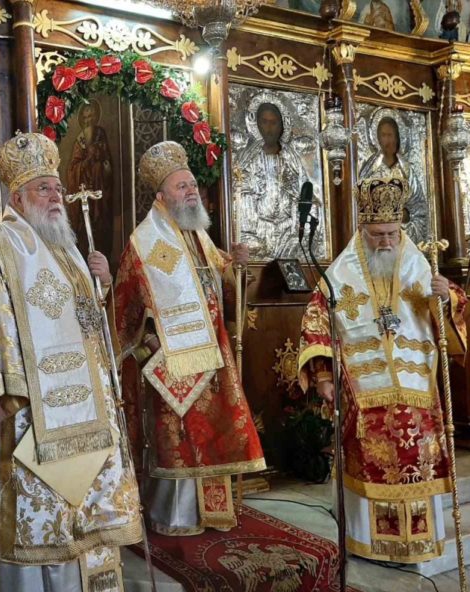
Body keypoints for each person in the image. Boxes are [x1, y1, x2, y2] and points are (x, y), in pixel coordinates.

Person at [0, 132, 142, 592]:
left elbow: (86, 326)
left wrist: (101, 284)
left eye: (57, 188)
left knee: (83, 514)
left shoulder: (67, 249)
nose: (56, 197)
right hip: (26, 413)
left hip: (85, 413)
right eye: (43, 189)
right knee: (37, 518)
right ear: (17, 198)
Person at [298, 176, 467, 564]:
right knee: (371, 458)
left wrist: (448, 296)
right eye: (377, 235)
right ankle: (371, 545)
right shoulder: (342, 271)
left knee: (418, 459)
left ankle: (418, 542)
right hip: (365, 388)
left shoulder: (418, 263)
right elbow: (316, 318)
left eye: (392, 233)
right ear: (364, 230)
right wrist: (323, 376)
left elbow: (451, 311)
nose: (386, 242)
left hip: (417, 386)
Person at [114, 141, 266, 536]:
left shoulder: (199, 236)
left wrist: (236, 267)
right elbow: (129, 302)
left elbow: (219, 283)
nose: (192, 191)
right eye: (182, 186)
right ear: (162, 196)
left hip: (212, 353)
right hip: (172, 360)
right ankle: (175, 515)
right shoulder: (147, 241)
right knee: (179, 440)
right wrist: (150, 344)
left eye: (193, 185)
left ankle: (212, 512)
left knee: (212, 431)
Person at [236, 101, 320, 260]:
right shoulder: (249, 158)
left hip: (288, 230)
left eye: (274, 123)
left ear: (282, 126)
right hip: (258, 230)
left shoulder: (291, 158)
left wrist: (299, 228)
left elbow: (304, 194)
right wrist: (249, 233)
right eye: (264, 122)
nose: (269, 128)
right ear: (257, 124)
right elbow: (241, 192)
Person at [360, 115, 428, 244]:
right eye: (383, 135)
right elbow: (360, 200)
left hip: (403, 234)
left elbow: (418, 205)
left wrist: (402, 215)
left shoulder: (406, 169)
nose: (387, 140)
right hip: (376, 234)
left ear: (397, 137)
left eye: (390, 135)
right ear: (377, 138)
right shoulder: (371, 168)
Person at [66, 101, 113, 258]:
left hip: (101, 195)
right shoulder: (80, 140)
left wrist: (103, 167)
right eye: (85, 117)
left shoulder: (101, 135)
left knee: (101, 229)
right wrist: (87, 162)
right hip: (83, 192)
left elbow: (108, 164)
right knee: (85, 231)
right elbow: (73, 169)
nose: (88, 120)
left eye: (91, 116)